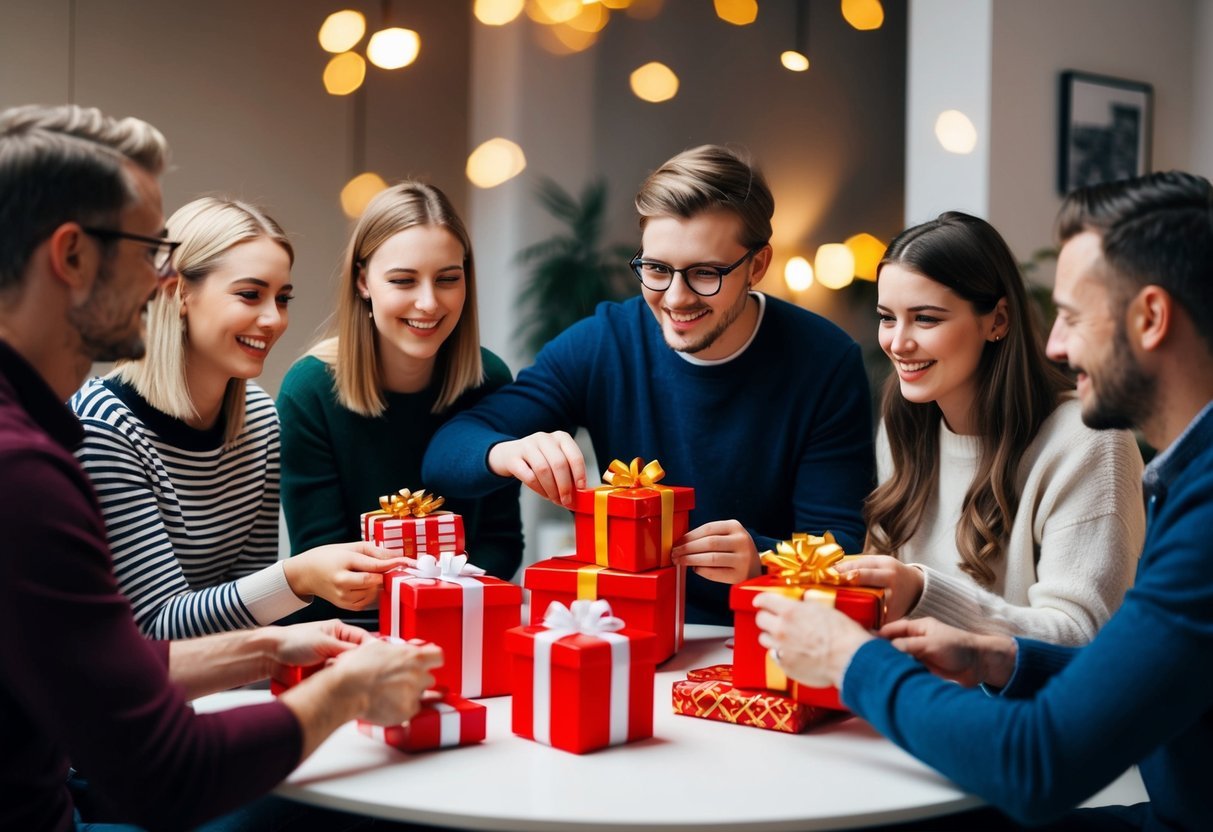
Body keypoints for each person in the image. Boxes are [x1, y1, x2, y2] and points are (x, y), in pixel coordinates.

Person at [0, 103, 441, 831]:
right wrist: (346, 690)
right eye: (147, 250)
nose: (157, 278)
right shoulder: (27, 474)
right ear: (72, 256)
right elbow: (165, 774)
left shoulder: (39, 445)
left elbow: (105, 670)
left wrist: (268, 647)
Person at [755, 171, 1213, 830]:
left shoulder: (1195, 512)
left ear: (1149, 318)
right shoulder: (1185, 480)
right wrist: (994, 657)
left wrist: (853, 661)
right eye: (888, 318)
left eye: (1073, 315)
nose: (1053, 343)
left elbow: (1036, 763)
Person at [422, 145, 874, 625]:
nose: (676, 299)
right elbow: (445, 454)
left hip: (767, 632)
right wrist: (506, 452)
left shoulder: (825, 361)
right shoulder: (604, 343)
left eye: (705, 273)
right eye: (657, 269)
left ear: (757, 267)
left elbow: (840, 546)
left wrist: (761, 557)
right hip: (628, 631)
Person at [69, 197, 406, 640]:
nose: (273, 319)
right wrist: (297, 578)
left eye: (282, 298)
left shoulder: (260, 419)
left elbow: (250, 604)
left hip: (223, 684)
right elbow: (155, 627)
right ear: (178, 292)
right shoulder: (105, 427)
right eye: (250, 294)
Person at [836, 212, 1143, 644]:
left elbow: (1083, 637)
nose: (898, 343)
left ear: (997, 320)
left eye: (926, 318)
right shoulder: (902, 427)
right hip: (911, 697)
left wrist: (922, 592)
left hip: (1025, 710)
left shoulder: (1089, 439)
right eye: (888, 317)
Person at [277, 181, 522, 628]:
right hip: (350, 633)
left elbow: (502, 542)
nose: (428, 303)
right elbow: (322, 564)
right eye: (403, 280)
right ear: (362, 281)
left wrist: (438, 601)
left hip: (462, 624)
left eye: (448, 279)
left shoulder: (490, 380)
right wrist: (429, 589)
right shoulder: (309, 390)